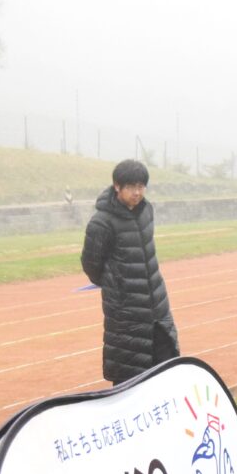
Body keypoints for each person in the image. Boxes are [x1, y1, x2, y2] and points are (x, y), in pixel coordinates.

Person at [79, 158, 180, 385]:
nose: (137, 192)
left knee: (166, 370)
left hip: (157, 308)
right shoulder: (102, 223)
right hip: (127, 315)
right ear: (117, 186)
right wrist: (118, 286)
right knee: (131, 378)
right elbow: (91, 264)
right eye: (131, 187)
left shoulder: (146, 211)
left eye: (141, 186)